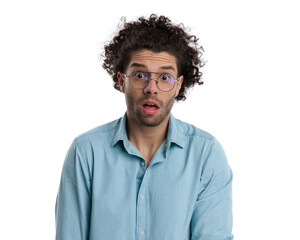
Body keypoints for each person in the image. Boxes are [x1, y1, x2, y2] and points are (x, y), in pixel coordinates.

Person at [55, 14, 233, 240]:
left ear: (178, 85)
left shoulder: (206, 154)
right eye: (140, 75)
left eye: (165, 78)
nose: (151, 88)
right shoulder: (86, 151)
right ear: (122, 81)